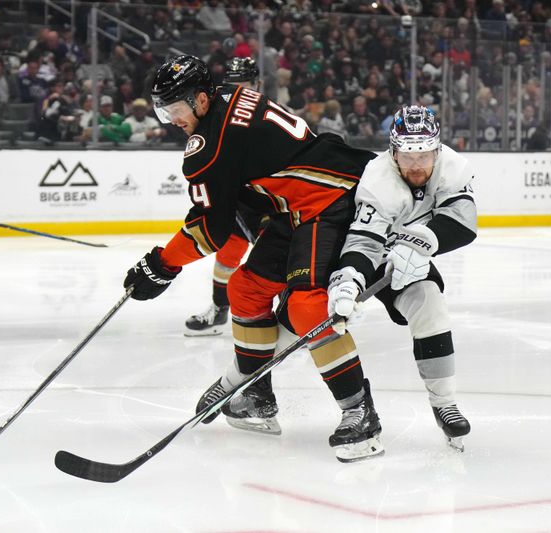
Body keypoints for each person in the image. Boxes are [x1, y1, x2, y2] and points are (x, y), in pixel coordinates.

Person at [123, 55, 382, 461]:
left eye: (174, 109)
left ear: (202, 99)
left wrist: (162, 265)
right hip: (296, 206)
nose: (170, 119)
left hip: (329, 200)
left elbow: (212, 229)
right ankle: (256, 394)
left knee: (306, 306)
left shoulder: (208, 146)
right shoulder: (232, 96)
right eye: (163, 110)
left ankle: (359, 412)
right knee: (245, 290)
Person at [327, 105, 475, 451]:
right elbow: (364, 241)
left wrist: (420, 243)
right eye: (407, 156)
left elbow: (463, 221)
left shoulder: (452, 167)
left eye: (424, 154)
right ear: (393, 152)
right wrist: (350, 279)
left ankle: (445, 404)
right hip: (375, 256)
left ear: (437, 149)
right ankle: (252, 382)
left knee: (430, 303)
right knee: (318, 310)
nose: (416, 165)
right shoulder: (378, 178)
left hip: (415, 256)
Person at [184, 56, 265, 336]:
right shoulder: (219, 114)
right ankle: (219, 310)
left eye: (244, 84)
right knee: (227, 253)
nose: (238, 89)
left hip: (274, 200)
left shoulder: (270, 111)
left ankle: (291, 317)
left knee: (280, 259)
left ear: (257, 84)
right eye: (233, 84)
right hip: (241, 201)